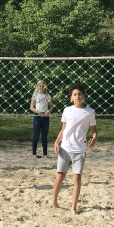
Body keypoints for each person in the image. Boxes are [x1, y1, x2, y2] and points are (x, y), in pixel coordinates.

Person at [51, 83, 97, 215]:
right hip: (65, 148)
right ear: (71, 97)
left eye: (80, 94)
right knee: (60, 175)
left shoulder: (89, 112)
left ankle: (73, 207)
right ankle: (54, 202)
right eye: (75, 94)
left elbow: (94, 130)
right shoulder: (67, 110)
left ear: (84, 96)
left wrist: (94, 138)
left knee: (77, 178)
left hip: (80, 149)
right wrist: (56, 142)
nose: (78, 96)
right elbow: (64, 128)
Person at [30, 80, 53, 158]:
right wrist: (38, 111)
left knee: (44, 136)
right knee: (36, 135)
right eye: (40, 86)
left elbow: (51, 107)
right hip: (37, 116)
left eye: (43, 86)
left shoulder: (48, 96)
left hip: (45, 117)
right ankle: (34, 154)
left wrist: (48, 112)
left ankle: (45, 154)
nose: (41, 87)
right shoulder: (35, 95)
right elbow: (31, 107)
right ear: (37, 87)